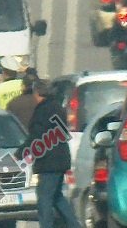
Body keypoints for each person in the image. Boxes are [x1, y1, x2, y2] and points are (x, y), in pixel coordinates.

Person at [21, 79, 81, 228]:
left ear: (38, 93)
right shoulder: (58, 108)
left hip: (48, 161)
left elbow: (36, 136)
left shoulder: (42, 110)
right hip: (60, 159)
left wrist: (20, 152)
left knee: (44, 199)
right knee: (56, 197)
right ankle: (74, 224)